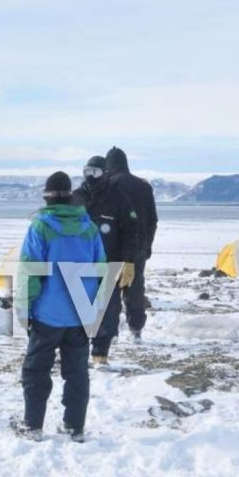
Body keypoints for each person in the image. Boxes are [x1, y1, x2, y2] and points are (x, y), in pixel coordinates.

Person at [14, 172, 105, 442]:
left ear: (47, 197)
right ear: (70, 196)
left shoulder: (41, 227)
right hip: (79, 314)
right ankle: (74, 427)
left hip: (47, 314)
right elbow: (101, 270)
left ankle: (32, 425)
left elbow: (30, 272)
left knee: (36, 370)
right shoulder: (89, 228)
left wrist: (24, 309)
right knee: (77, 372)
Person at [72, 149, 141, 364]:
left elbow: (131, 231)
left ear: (105, 173)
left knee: (108, 310)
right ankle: (76, 350)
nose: (90, 176)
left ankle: (100, 353)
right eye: (87, 171)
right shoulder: (75, 198)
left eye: (95, 171)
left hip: (110, 261)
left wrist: (129, 261)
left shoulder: (119, 199)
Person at [101, 147, 157, 342]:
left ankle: (111, 331)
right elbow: (152, 220)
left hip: (113, 247)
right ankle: (136, 329)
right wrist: (147, 244)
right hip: (138, 247)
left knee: (111, 289)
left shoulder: (108, 185)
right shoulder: (143, 186)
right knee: (135, 287)